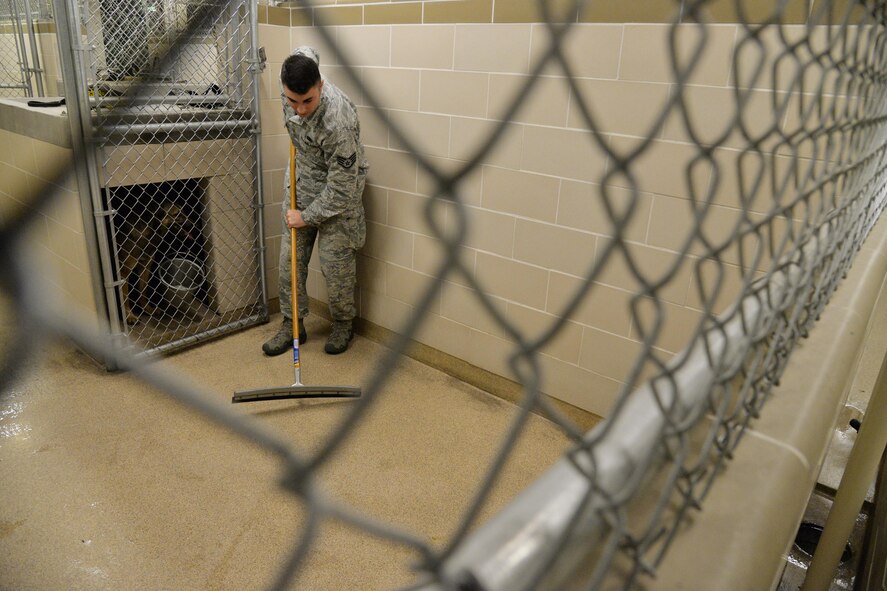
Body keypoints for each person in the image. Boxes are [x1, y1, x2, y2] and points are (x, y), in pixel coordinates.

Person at [262, 46, 368, 356]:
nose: (300, 109)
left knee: (336, 268)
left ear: (320, 84)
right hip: (301, 184)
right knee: (289, 264)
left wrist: (307, 217)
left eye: (307, 100)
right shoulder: (294, 82)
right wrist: (300, 211)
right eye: (292, 101)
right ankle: (292, 324)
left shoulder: (340, 121)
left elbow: (342, 186)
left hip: (338, 195)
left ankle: (343, 324)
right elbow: (307, 51)